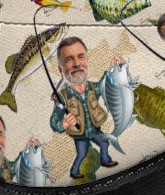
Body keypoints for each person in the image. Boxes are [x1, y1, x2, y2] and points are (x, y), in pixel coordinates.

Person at [49, 38, 121, 179]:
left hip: (95, 130)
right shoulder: (62, 97)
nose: (76, 64)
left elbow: (105, 82)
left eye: (81, 57)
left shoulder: (93, 88)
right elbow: (54, 122)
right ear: (60, 69)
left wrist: (113, 68)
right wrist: (64, 123)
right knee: (81, 154)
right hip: (80, 135)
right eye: (69, 59)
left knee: (104, 143)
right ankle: (74, 171)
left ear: (87, 61)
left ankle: (105, 160)